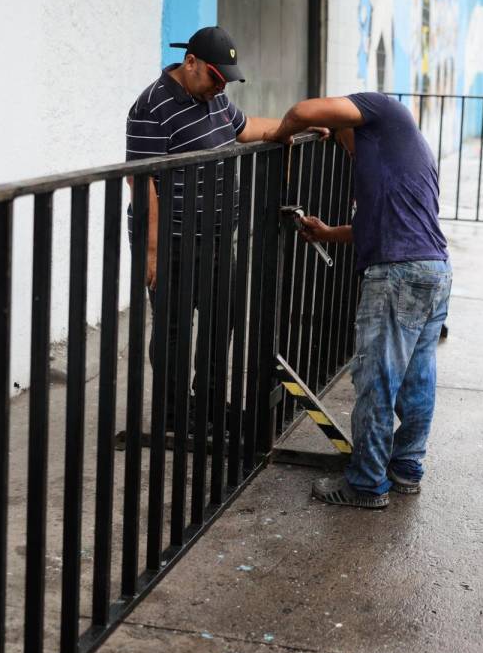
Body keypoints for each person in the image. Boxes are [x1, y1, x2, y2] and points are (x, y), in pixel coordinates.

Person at [125, 26, 318, 429]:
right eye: (215, 76)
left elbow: (246, 129)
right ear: (190, 62)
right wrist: (152, 252)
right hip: (175, 239)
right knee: (174, 329)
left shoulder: (215, 100)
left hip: (215, 235)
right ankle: (174, 412)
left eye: (225, 79)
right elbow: (142, 182)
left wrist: (295, 128)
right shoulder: (151, 106)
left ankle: (208, 403)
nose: (220, 86)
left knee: (220, 319)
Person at [273, 93, 452, 509]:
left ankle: (368, 483)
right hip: (433, 270)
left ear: (349, 125)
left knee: (376, 379)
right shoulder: (405, 153)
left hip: (397, 274)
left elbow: (300, 110)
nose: (345, 152)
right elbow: (383, 221)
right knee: (417, 377)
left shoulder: (382, 111)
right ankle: (406, 469)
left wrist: (284, 136)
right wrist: (328, 232)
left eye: (339, 141)